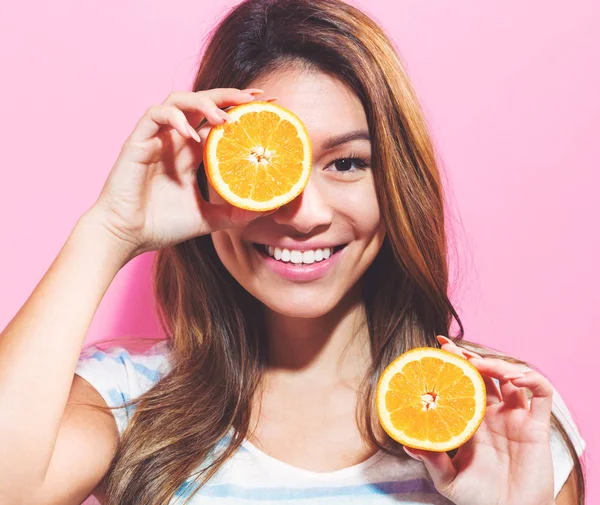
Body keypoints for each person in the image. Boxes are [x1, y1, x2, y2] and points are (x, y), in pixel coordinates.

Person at [0, 0, 586, 504]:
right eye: (268, 165)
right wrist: (109, 229)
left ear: (397, 184)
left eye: (348, 163)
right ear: (208, 174)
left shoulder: (496, 417)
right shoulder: (125, 400)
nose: (304, 216)